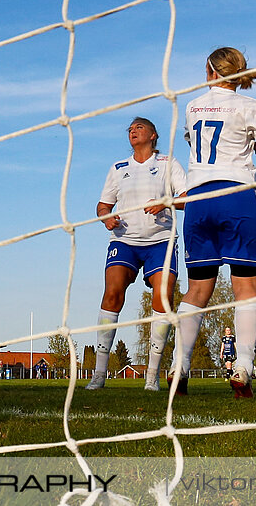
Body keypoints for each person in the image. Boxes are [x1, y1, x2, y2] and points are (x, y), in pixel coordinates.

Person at [169, 47, 256, 398]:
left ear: (210, 71)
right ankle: (244, 366)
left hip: (198, 199)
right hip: (236, 196)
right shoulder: (249, 106)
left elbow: (195, 142)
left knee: (198, 289)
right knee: (245, 287)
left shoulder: (192, 106)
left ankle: (179, 366)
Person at [88, 117, 187, 392]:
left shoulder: (168, 163)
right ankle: (99, 374)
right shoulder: (119, 168)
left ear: (153, 134)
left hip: (161, 240)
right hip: (125, 240)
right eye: (129, 129)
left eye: (139, 127)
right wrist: (106, 218)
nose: (133, 131)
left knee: (163, 297)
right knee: (112, 294)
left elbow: (187, 197)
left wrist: (165, 202)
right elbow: (103, 205)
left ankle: (152, 376)